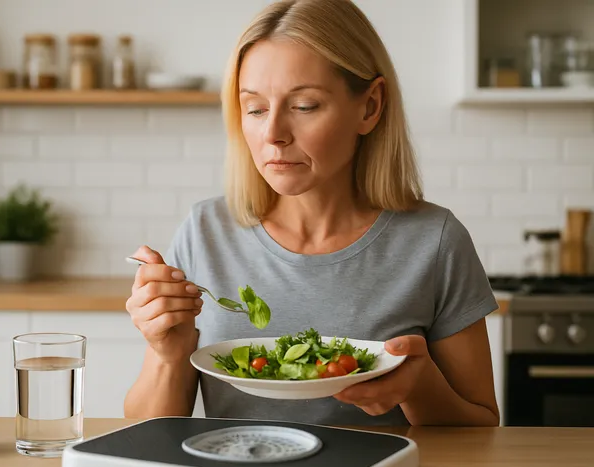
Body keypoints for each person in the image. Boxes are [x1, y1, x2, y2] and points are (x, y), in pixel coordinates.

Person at [123, 0, 500, 427]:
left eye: (304, 106)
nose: (273, 134)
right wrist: (167, 354)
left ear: (370, 106)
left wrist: (417, 385)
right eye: (256, 108)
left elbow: (482, 429)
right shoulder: (205, 232)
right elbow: (146, 430)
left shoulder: (435, 241)